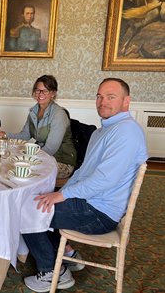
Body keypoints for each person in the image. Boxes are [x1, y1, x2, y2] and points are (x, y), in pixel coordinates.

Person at [21, 78, 148, 292]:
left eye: (110, 97)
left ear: (127, 101)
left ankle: (51, 272)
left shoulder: (126, 132)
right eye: (99, 96)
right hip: (91, 202)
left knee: (25, 209)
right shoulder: (104, 131)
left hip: (99, 212)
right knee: (41, 197)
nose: (102, 101)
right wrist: (61, 192)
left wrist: (62, 196)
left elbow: (104, 180)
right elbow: (84, 172)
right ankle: (68, 256)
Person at [8, 75, 76, 179]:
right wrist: (4, 135)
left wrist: (28, 159)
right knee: (11, 163)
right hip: (42, 156)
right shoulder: (34, 111)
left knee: (23, 170)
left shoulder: (59, 115)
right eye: (37, 90)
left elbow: (51, 149)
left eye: (45, 91)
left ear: (53, 93)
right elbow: (25, 135)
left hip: (61, 162)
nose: (40, 94)